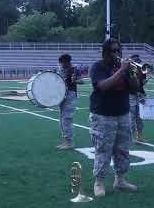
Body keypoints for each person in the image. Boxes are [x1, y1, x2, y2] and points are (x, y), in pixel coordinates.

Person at [89, 37, 139, 197]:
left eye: (119, 50)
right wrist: (122, 70)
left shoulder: (123, 68)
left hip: (123, 113)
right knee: (103, 150)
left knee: (123, 149)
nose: (117, 53)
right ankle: (99, 182)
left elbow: (135, 88)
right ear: (105, 52)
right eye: (113, 51)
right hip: (103, 115)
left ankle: (120, 180)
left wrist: (131, 73)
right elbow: (103, 86)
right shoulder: (98, 67)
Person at [56, 54, 83, 150]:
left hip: (70, 95)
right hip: (62, 95)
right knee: (62, 120)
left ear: (67, 62)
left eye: (62, 63)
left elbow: (82, 81)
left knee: (66, 119)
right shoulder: (61, 69)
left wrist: (75, 80)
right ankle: (65, 141)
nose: (61, 64)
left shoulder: (74, 69)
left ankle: (70, 142)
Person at [128, 54, 148, 142]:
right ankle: (132, 136)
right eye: (136, 61)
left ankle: (140, 135)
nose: (138, 63)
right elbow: (128, 84)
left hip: (141, 94)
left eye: (138, 61)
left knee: (140, 117)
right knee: (131, 117)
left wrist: (145, 81)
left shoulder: (142, 70)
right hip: (131, 95)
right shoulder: (129, 71)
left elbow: (142, 83)